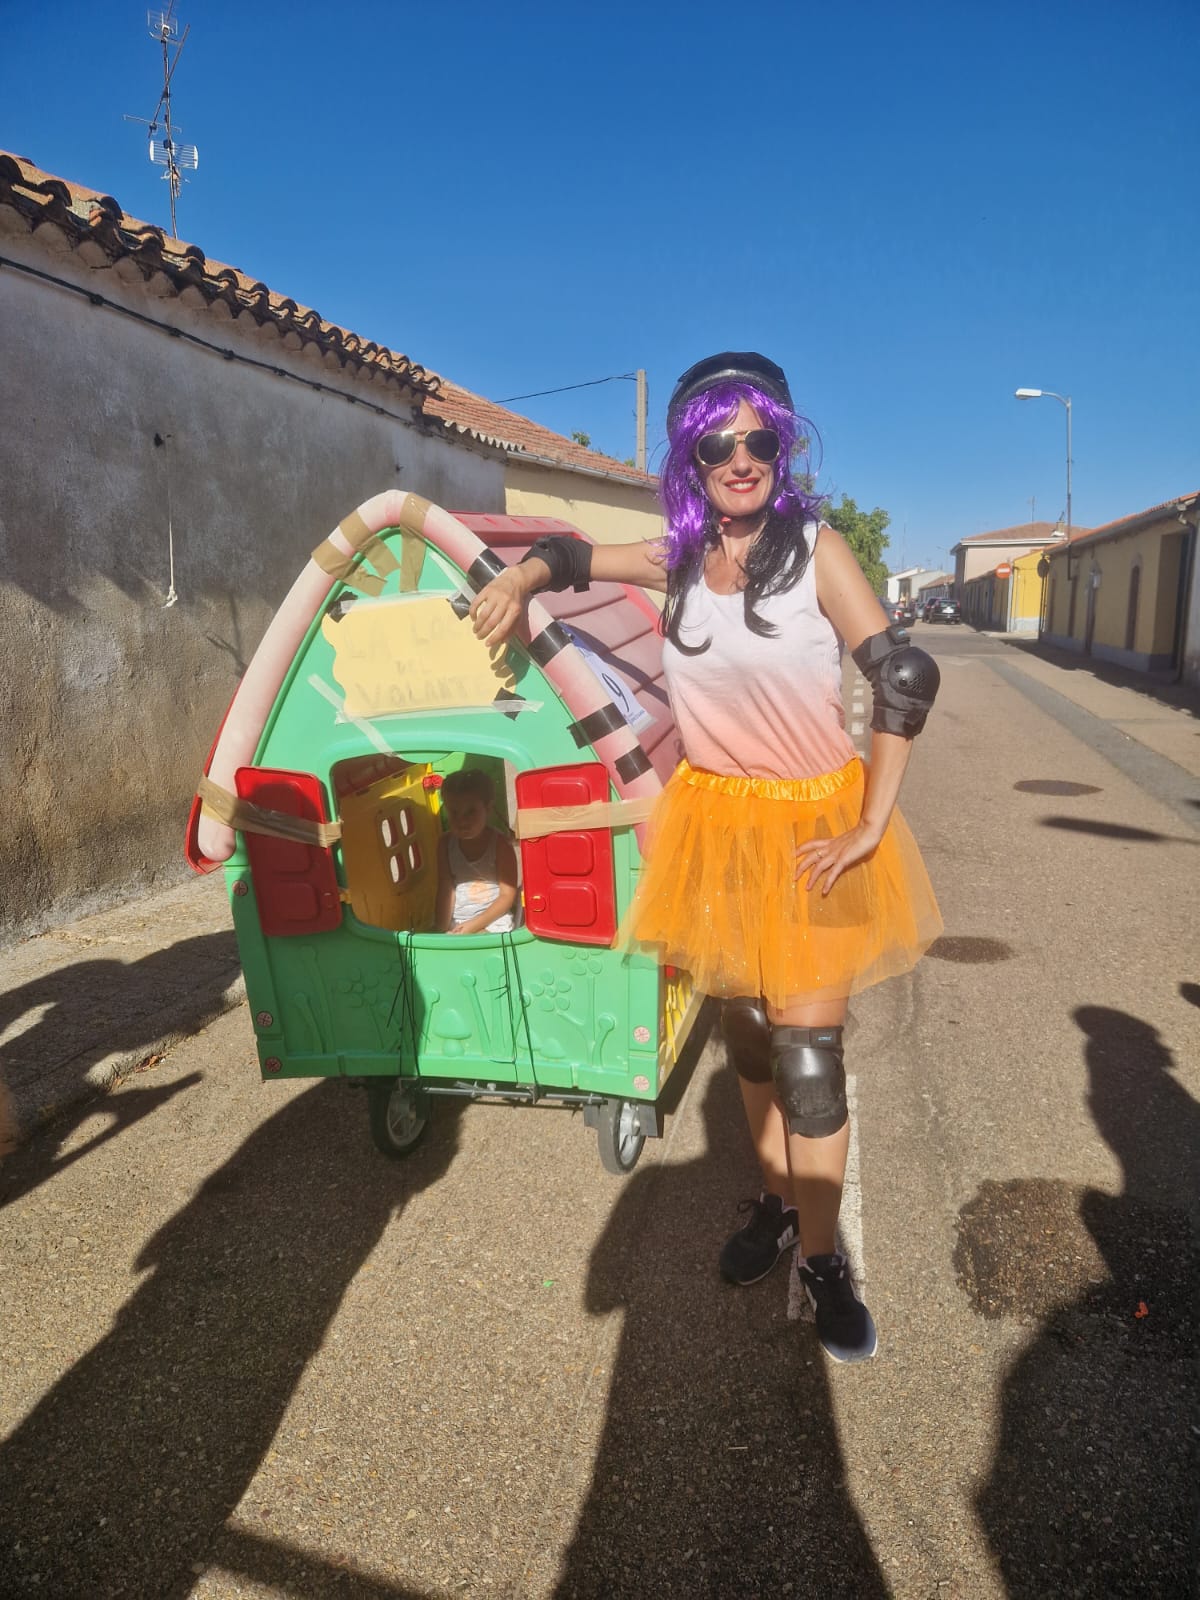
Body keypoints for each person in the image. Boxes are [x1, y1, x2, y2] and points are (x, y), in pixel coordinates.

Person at [468, 352, 942, 1362]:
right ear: (691, 456)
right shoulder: (677, 560)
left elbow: (902, 673)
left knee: (811, 1058)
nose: (740, 458)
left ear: (781, 446)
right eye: (717, 442)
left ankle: (823, 1259)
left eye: (758, 439)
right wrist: (519, 575)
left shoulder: (817, 550)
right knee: (754, 1044)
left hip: (814, 829)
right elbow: (567, 549)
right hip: (719, 826)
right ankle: (776, 1204)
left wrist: (871, 821)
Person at [434, 768, 519, 935]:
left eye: (471, 812)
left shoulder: (500, 845)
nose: (461, 820)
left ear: (487, 809)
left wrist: (473, 926)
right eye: (454, 812)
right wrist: (441, 929)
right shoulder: (444, 844)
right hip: (458, 921)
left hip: (493, 920)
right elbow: (446, 887)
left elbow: (507, 896)